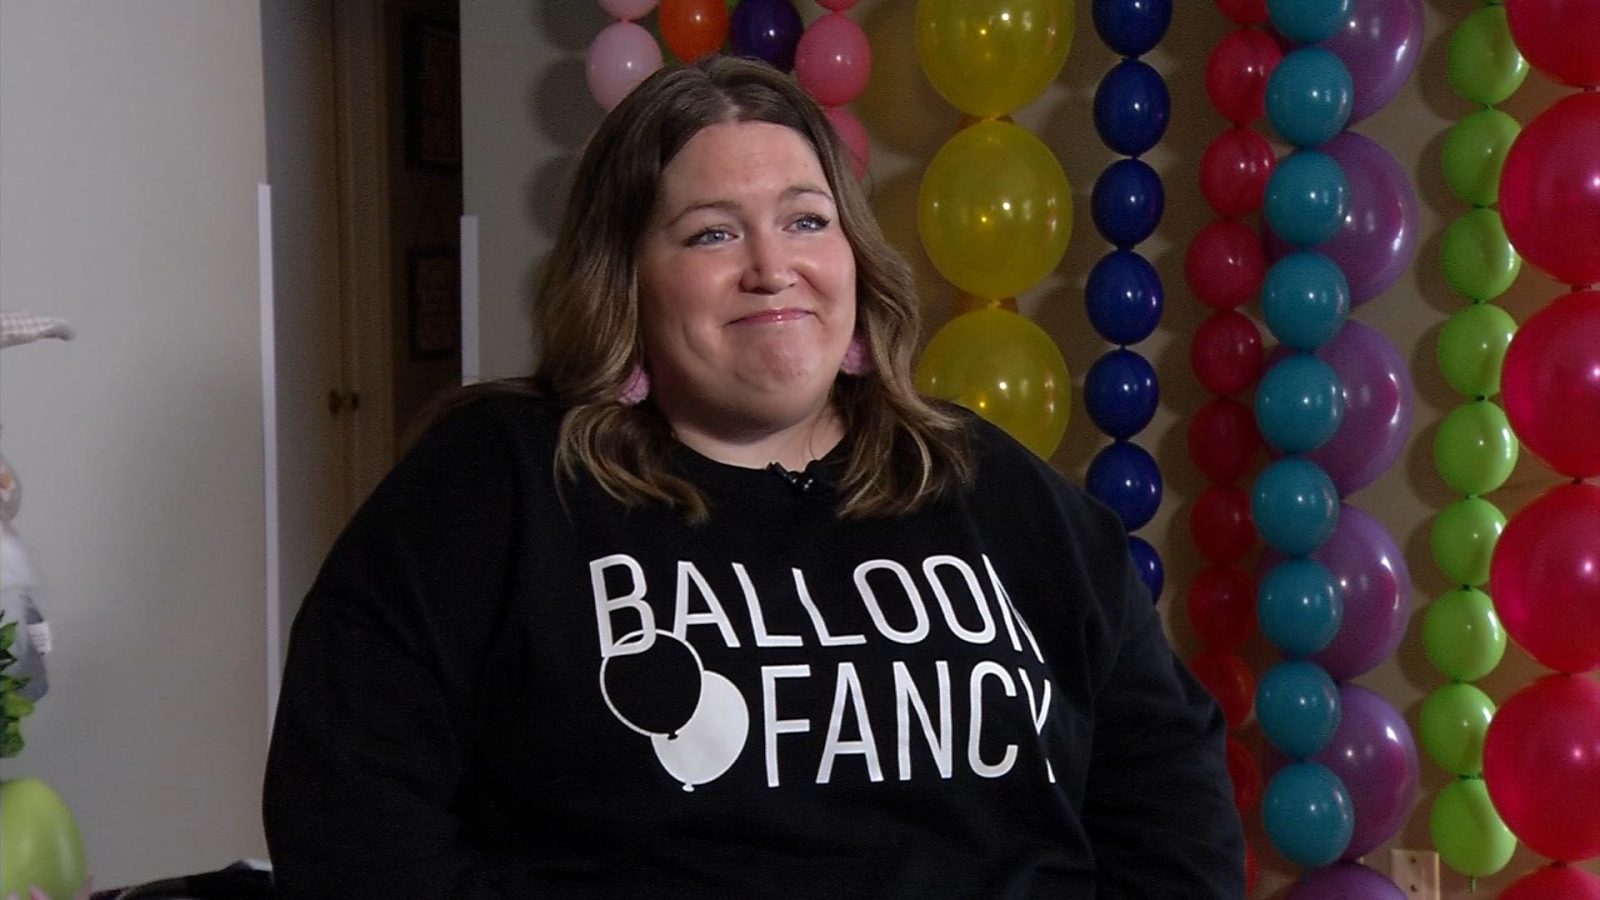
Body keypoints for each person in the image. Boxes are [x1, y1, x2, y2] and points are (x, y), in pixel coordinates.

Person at [263, 55, 1244, 898]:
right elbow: (350, 807)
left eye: (807, 221)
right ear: (624, 278)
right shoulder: (499, 481)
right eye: (711, 233)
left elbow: (1163, 770)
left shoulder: (983, 480)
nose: (773, 268)